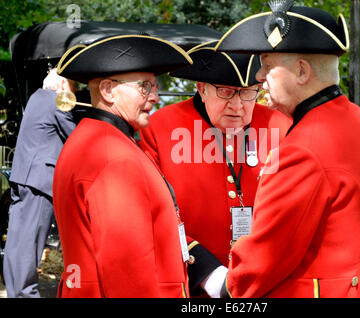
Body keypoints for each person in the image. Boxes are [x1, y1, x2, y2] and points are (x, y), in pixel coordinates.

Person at [209, 1, 360, 297]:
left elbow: (268, 256)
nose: (259, 77)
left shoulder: (302, 147)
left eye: (267, 66)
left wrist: (226, 287)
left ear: (302, 72)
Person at [138, 41, 291, 296]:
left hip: (266, 283)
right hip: (193, 283)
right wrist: (209, 274)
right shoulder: (159, 129)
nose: (237, 105)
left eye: (248, 92)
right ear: (201, 88)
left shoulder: (281, 127)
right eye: (226, 92)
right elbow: (151, 212)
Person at [53, 34, 193, 297]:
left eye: (154, 86)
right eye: (144, 87)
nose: (155, 96)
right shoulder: (112, 156)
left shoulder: (98, 138)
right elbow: (128, 273)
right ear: (107, 90)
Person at [3, 69, 77, 297]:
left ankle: (18, 292)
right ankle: (25, 293)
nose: (74, 94)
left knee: (17, 244)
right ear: (63, 84)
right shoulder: (56, 100)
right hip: (38, 181)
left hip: (24, 178)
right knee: (29, 246)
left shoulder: (36, 97)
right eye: (74, 88)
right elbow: (75, 136)